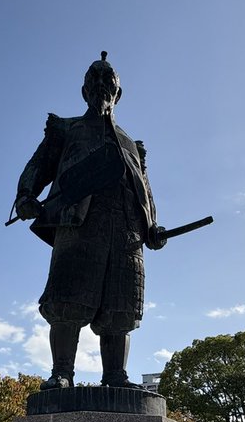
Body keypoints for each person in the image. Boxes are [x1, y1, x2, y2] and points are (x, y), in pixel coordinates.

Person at [13, 52, 166, 389]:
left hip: (126, 231)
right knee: (68, 301)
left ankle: (115, 375)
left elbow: (146, 191)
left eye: (107, 80)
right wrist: (26, 195)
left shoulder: (132, 145)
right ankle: (62, 373)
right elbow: (39, 164)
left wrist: (152, 226)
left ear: (118, 93)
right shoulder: (67, 130)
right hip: (80, 224)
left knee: (120, 309)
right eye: (93, 80)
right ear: (83, 91)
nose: (100, 85)